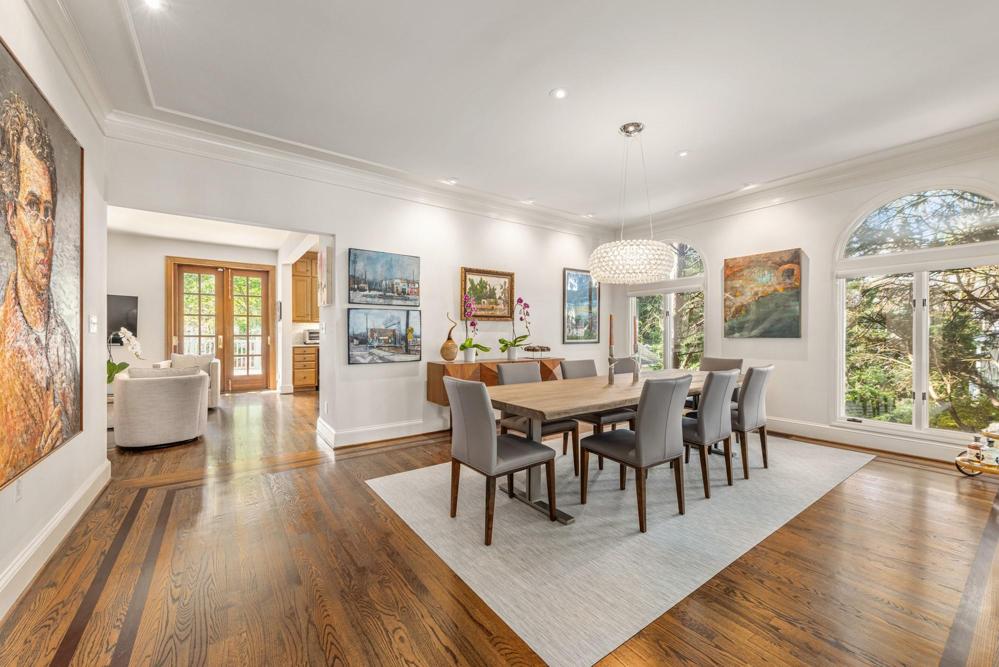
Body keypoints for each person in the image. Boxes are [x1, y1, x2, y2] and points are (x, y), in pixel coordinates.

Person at [0, 93, 79, 486]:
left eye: (49, 211)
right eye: (33, 207)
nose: (46, 233)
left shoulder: (66, 342)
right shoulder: (3, 347)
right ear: (12, 217)